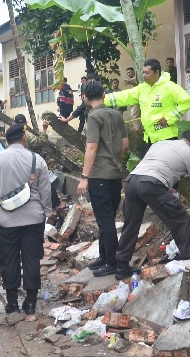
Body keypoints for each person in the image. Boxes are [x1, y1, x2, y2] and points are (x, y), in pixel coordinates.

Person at [114, 129, 190, 279]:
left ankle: (121, 266)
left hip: (132, 181)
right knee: (180, 219)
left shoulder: (160, 144)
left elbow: (159, 167)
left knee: (131, 224)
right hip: (150, 184)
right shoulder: (189, 153)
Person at [0, 124, 52, 315]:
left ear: (6, 141)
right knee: (32, 259)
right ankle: (30, 302)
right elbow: (46, 190)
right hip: (33, 219)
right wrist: (46, 211)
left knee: (8, 260)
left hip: (5, 221)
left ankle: (12, 301)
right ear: (24, 138)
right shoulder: (36, 160)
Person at [76, 81, 129, 276]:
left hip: (99, 174)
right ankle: (104, 256)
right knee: (108, 218)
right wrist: (115, 159)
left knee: (104, 219)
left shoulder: (93, 117)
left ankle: (113, 262)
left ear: (85, 97)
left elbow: (91, 147)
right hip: (115, 173)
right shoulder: (116, 115)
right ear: (104, 94)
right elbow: (125, 145)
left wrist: (84, 177)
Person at [104, 59, 190, 147]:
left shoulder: (170, 87)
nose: (144, 75)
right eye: (143, 72)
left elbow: (187, 102)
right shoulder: (142, 88)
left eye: (147, 73)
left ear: (156, 73)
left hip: (167, 138)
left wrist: (170, 118)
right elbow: (124, 96)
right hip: (149, 138)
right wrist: (102, 99)